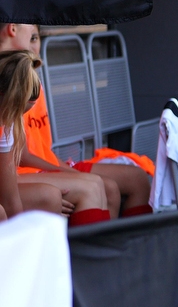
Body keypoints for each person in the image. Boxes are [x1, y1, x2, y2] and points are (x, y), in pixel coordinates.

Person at [0, 24, 131, 222]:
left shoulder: (11, 112)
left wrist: (61, 169)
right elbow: (10, 195)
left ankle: (100, 251)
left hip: (21, 175)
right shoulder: (11, 96)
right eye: (33, 38)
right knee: (62, 194)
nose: (36, 48)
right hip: (21, 176)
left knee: (105, 185)